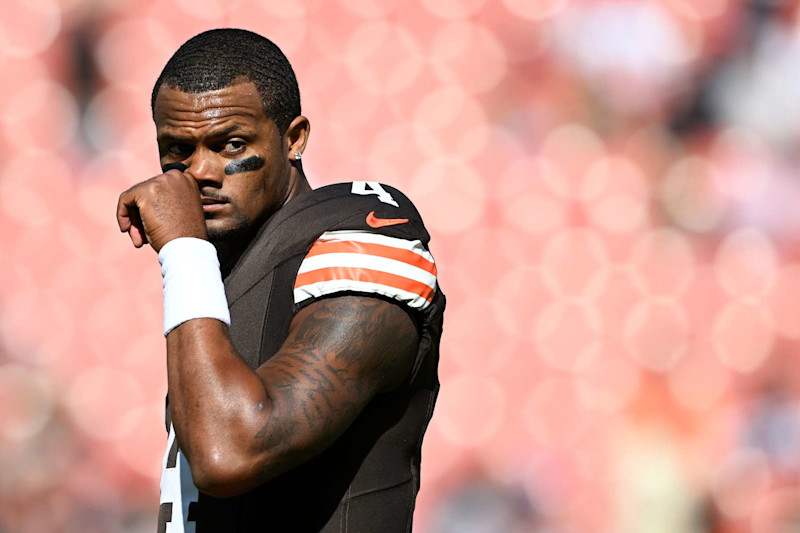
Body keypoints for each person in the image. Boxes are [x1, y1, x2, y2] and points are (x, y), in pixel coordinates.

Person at [115, 29, 445, 532]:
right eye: (177, 148)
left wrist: (184, 252)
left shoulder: (360, 244)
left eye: (230, 143)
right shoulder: (224, 278)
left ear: (293, 139)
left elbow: (229, 452)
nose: (200, 171)